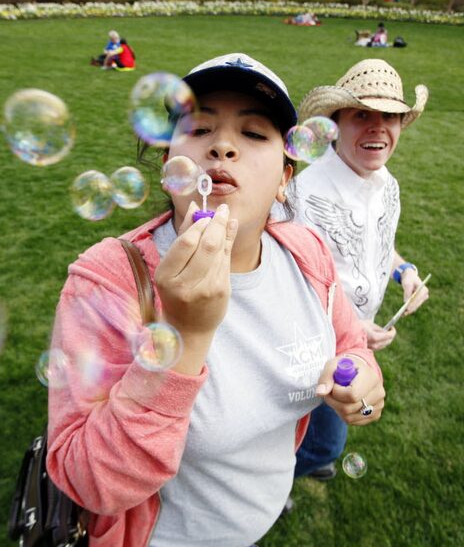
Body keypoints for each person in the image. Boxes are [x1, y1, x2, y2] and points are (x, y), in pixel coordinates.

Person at [45, 53, 385, 546]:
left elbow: (351, 343)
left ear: (286, 176)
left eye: (253, 134)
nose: (223, 147)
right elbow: (87, 481)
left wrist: (363, 374)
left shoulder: (306, 253)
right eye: (201, 130)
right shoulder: (109, 279)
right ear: (167, 166)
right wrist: (185, 335)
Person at [281, 59, 429, 483]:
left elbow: (380, 246)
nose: (377, 128)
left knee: (317, 425)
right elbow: (291, 278)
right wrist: (352, 324)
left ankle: (304, 455)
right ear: (335, 124)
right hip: (313, 337)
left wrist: (406, 273)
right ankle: (279, 482)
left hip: (350, 339)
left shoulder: (388, 183)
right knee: (324, 439)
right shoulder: (304, 194)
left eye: (390, 117)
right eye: (361, 115)